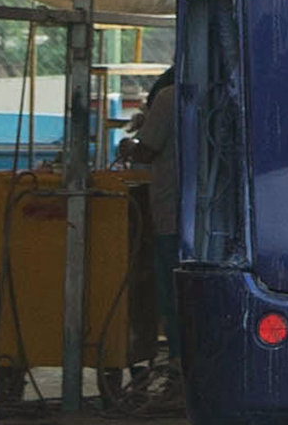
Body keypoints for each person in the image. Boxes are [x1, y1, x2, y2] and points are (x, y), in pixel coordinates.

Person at [118, 67, 181, 380]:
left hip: (170, 215)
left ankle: (178, 361)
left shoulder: (169, 98)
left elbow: (146, 150)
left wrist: (129, 146)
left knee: (171, 293)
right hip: (204, 218)